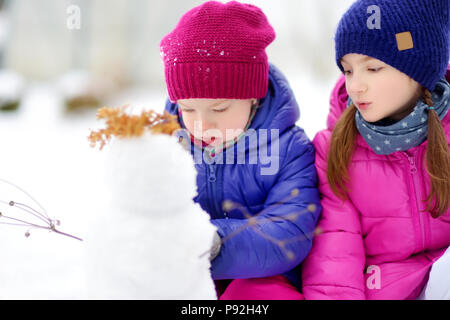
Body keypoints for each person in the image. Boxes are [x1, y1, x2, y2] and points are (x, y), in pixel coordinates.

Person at [160, 1, 321, 300]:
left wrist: (218, 241)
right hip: (183, 275)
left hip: (264, 277)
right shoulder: (165, 143)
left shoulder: (289, 148)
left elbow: (291, 229)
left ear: (253, 98)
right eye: (188, 108)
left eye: (219, 108)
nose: (201, 124)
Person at [301, 0, 450, 299]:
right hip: (382, 289)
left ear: (420, 68)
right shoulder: (334, 148)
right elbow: (335, 251)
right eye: (348, 70)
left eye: (372, 67)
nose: (355, 86)